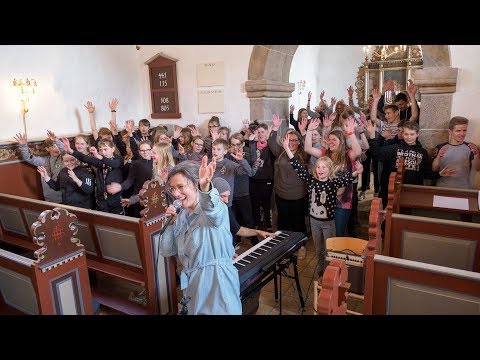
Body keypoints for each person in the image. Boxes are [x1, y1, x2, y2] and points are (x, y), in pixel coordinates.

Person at [158, 156, 242, 315]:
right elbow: (167, 251)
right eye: (172, 188)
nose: (176, 193)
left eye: (181, 186)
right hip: (193, 286)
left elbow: (212, 207)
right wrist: (168, 225)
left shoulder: (214, 209)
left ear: (196, 184)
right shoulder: (181, 216)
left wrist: (205, 188)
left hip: (216, 286)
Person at [432, 116, 480, 189]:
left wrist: (476, 155)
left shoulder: (470, 147)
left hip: (463, 188)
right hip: (442, 187)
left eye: (464, 130)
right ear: (450, 132)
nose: (462, 134)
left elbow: (477, 168)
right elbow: (434, 169)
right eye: (458, 131)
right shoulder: (440, 147)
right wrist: (438, 157)